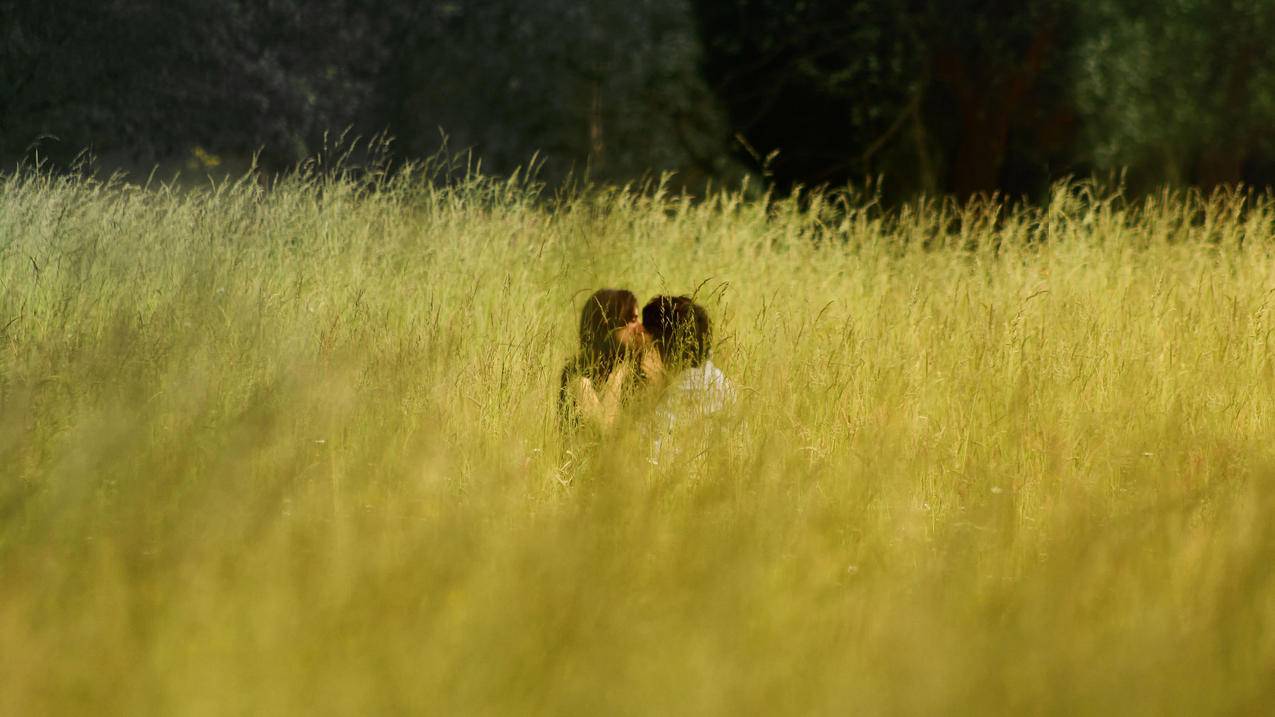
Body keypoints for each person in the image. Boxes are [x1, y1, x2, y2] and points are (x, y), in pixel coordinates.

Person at [640, 295, 735, 463]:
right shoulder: (721, 382)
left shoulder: (676, 398)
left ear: (658, 343)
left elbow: (652, 460)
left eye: (646, 337)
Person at [558, 288, 653, 432]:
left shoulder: (635, 372)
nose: (640, 327)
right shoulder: (578, 378)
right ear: (607, 325)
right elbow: (605, 432)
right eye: (633, 320)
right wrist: (619, 372)